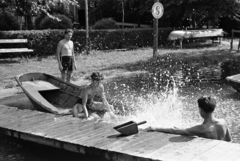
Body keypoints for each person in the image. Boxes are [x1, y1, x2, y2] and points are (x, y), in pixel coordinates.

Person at [145, 96, 232, 142]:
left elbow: (176, 130)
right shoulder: (223, 122)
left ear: (201, 110)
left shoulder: (201, 129)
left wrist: (155, 128)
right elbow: (229, 140)